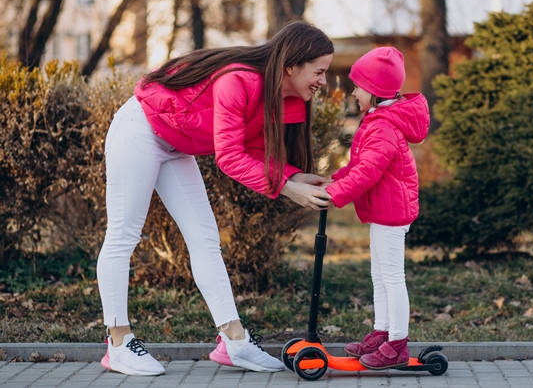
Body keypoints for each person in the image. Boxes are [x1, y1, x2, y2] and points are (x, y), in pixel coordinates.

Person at [96, 21, 334, 376]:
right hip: (141, 129)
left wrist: (295, 177)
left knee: (205, 237)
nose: (324, 81)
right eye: (320, 71)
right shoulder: (238, 80)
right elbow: (229, 158)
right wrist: (286, 187)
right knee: (123, 234)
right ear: (291, 66)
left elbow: (254, 150)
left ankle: (234, 341)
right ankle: (118, 343)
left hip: (176, 146)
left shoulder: (279, 98)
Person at [325, 47, 430, 370]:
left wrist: (335, 194)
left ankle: (397, 343)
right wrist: (331, 181)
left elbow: (368, 171)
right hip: (383, 211)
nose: (353, 92)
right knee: (379, 275)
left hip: (391, 213)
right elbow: (359, 164)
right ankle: (383, 331)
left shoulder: (382, 125)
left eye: (358, 86)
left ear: (374, 91)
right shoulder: (377, 120)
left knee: (391, 276)